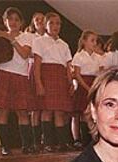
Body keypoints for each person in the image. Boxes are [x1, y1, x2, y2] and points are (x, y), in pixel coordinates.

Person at [0, 7, 35, 155]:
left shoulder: (27, 36)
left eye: (16, 19)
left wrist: (10, 38)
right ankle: (4, 146)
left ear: (21, 22)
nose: (13, 22)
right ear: (5, 20)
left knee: (22, 112)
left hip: (20, 75)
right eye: (10, 19)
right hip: (3, 74)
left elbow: (25, 54)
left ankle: (26, 145)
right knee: (3, 111)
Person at [32, 12, 74, 152]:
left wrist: (70, 83)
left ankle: (62, 142)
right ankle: (48, 143)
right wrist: (39, 83)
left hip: (60, 77)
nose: (55, 26)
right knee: (46, 110)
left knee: (60, 112)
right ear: (45, 25)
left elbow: (68, 67)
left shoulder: (64, 44)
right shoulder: (39, 41)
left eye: (58, 23)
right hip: (47, 75)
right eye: (52, 23)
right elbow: (37, 65)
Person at [71, 30, 104, 147]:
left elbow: (100, 73)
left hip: (93, 84)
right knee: (77, 113)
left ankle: (90, 138)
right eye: (92, 40)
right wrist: (86, 87)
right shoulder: (79, 55)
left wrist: (95, 87)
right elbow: (77, 74)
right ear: (84, 41)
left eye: (96, 40)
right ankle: (76, 139)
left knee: (89, 114)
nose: (95, 43)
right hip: (83, 85)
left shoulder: (98, 57)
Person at [25, 12, 46, 151]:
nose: (39, 21)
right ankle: (35, 140)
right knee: (35, 107)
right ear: (33, 22)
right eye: (36, 19)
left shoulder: (49, 38)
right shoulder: (29, 36)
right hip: (34, 69)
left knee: (46, 107)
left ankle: (46, 139)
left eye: (42, 19)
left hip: (47, 70)